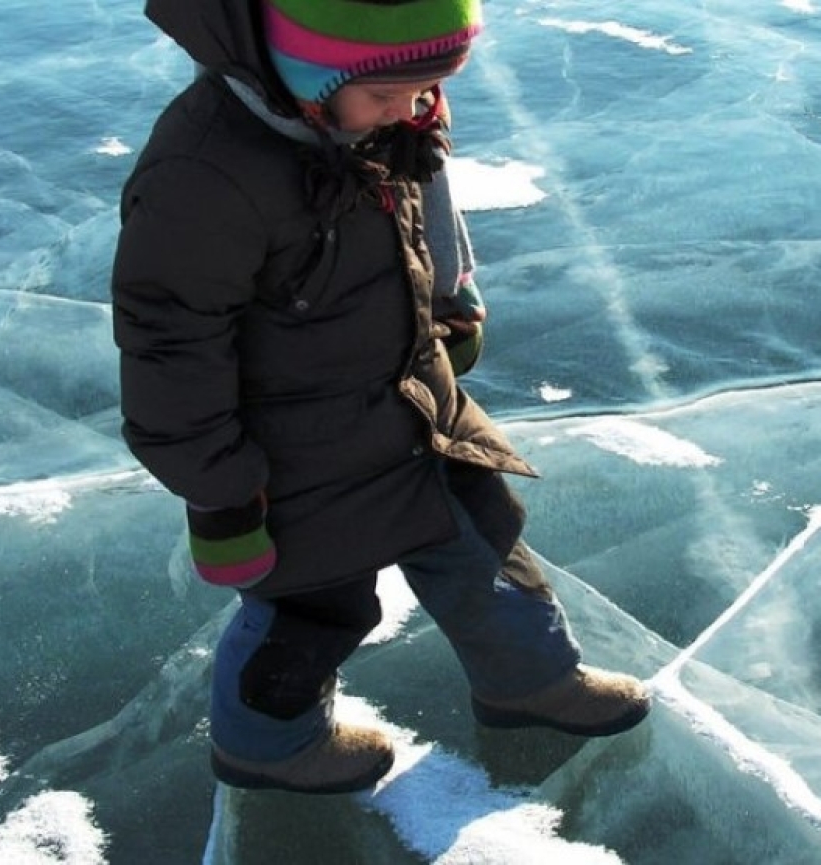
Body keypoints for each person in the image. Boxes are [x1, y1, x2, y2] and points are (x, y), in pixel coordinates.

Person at [110, 0, 650, 795]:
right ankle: (267, 742)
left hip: (414, 403)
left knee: (486, 545)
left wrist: (450, 307)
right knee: (311, 606)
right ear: (303, 72)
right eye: (388, 95)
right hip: (296, 456)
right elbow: (169, 349)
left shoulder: (386, 108)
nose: (413, 108)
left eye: (430, 87)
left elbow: (426, 207)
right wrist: (223, 495)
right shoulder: (205, 174)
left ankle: (529, 681)